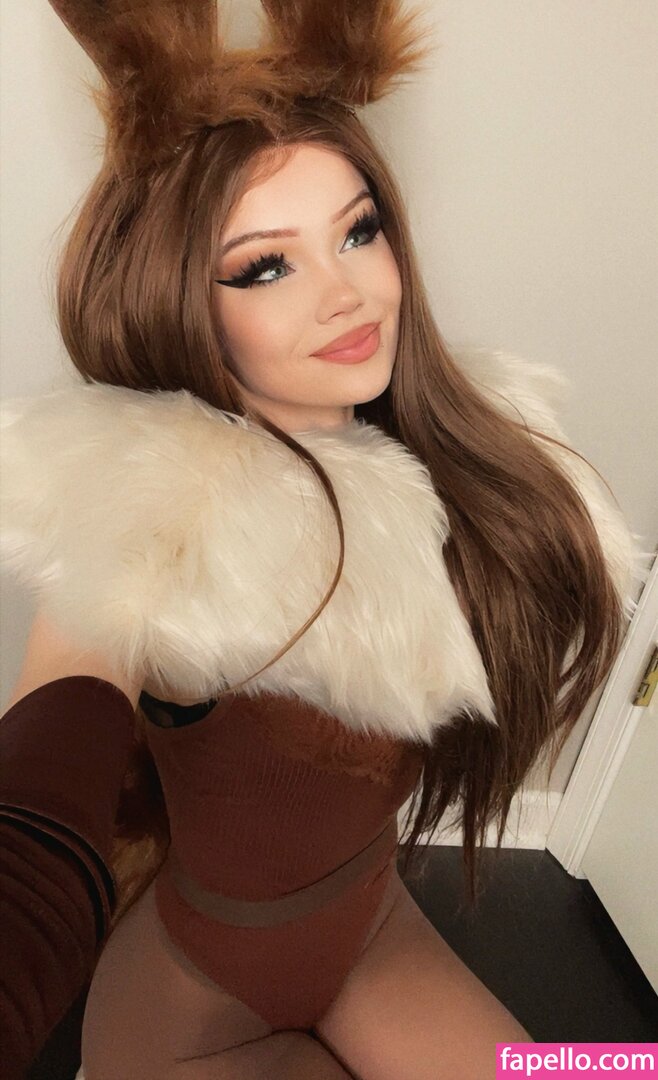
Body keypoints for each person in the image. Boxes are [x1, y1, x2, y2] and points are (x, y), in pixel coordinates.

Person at [0, 2, 648, 1077]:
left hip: (371, 932)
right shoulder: (146, 513)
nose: (348, 293)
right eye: (264, 267)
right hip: (195, 993)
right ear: (179, 299)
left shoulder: (462, 463)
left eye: (358, 230)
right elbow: (44, 765)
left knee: (593, 1073)